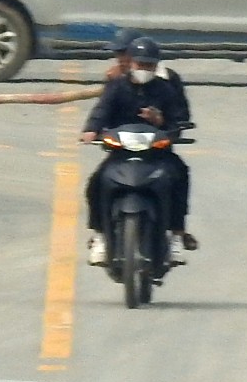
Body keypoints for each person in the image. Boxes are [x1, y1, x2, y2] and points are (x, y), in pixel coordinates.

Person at [80, 35, 194, 263]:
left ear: (155, 65)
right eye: (140, 64)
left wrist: (161, 121)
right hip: (121, 153)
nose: (144, 69)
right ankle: (100, 236)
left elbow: (179, 120)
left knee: (179, 176)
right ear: (132, 63)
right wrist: (91, 130)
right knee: (96, 183)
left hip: (157, 155)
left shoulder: (166, 89)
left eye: (148, 65)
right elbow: (101, 111)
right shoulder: (116, 87)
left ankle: (175, 237)